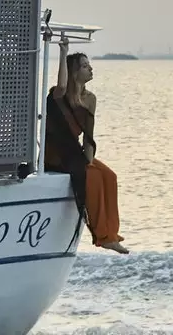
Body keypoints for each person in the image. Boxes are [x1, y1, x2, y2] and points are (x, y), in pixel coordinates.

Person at [43, 39, 128, 254]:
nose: (90, 68)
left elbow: (89, 135)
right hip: (57, 154)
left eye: (89, 65)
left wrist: (89, 160)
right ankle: (102, 236)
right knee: (94, 179)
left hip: (76, 153)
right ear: (73, 72)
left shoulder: (90, 99)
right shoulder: (59, 94)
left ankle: (112, 232)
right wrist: (64, 53)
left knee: (109, 176)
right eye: (84, 66)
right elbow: (62, 85)